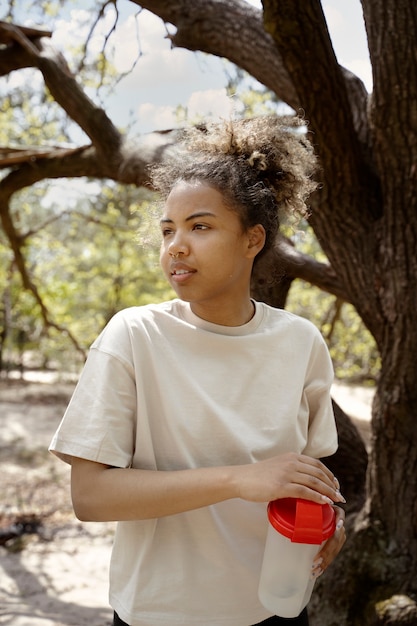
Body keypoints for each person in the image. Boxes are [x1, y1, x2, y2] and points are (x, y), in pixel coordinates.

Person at [49, 115, 346, 626]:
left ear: (253, 240)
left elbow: (312, 477)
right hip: (160, 613)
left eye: (200, 226)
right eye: (168, 230)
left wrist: (329, 521)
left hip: (275, 608)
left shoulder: (301, 342)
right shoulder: (134, 336)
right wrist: (238, 480)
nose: (175, 246)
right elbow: (91, 496)